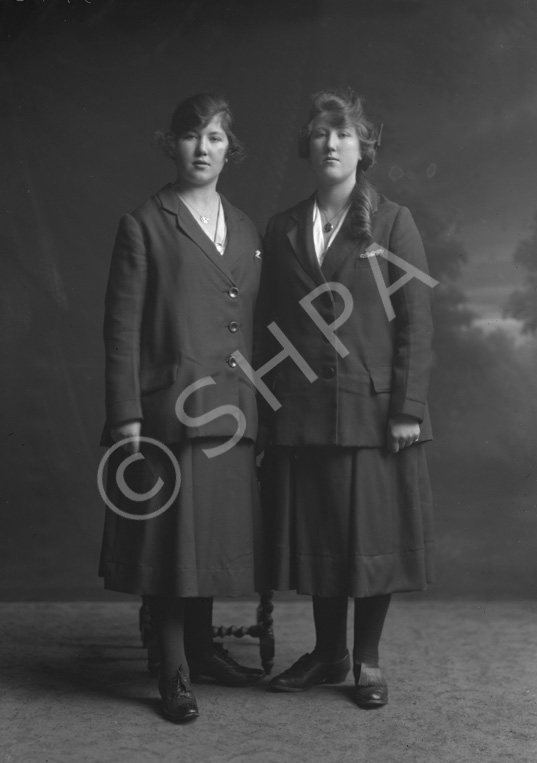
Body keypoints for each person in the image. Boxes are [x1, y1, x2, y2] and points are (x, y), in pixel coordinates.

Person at [256, 86, 435, 708]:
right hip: (301, 414)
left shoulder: (391, 222)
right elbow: (269, 330)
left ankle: (367, 660)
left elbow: (415, 322)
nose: (330, 144)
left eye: (343, 134)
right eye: (319, 134)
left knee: (371, 538)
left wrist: (408, 409)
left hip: (373, 411)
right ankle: (328, 653)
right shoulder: (280, 228)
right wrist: (265, 409)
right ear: (307, 147)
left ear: (365, 148)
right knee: (324, 537)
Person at [99, 92, 265, 723]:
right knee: (172, 545)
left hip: (233, 409)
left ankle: (201, 650)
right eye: (192, 136)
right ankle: (173, 672)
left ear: (230, 148)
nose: (203, 148)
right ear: (172, 145)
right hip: (168, 411)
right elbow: (121, 329)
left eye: (216, 137)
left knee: (208, 542)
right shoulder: (144, 222)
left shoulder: (246, 228)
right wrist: (126, 417)